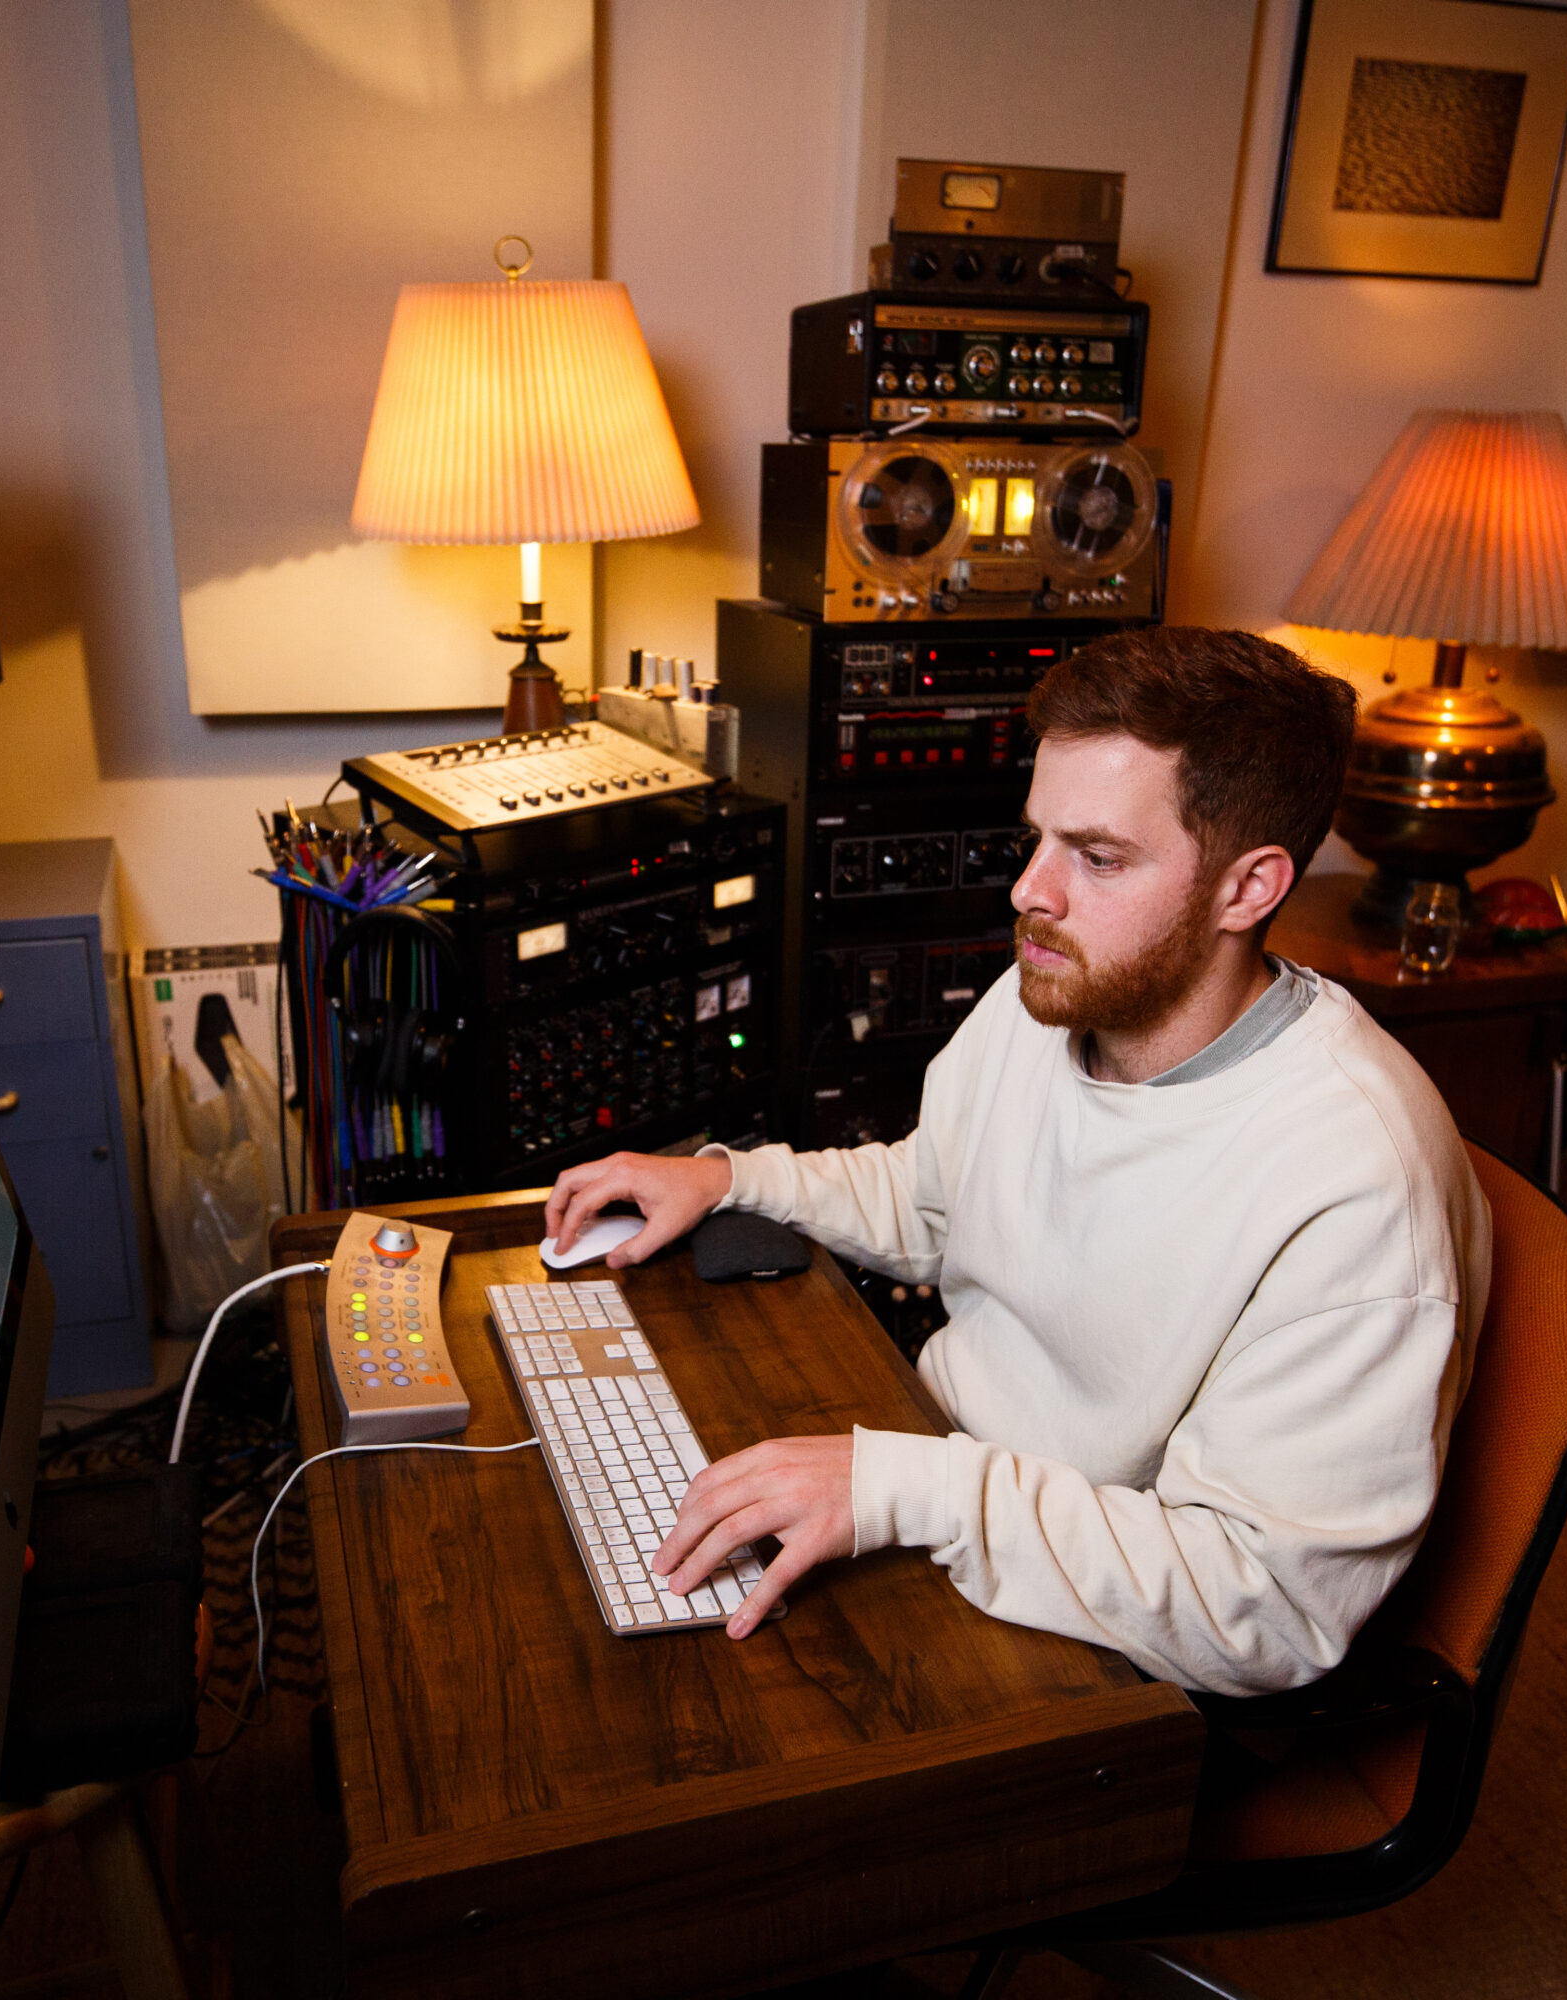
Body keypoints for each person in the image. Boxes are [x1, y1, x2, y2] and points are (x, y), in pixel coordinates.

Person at [542, 626, 1489, 1693]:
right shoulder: (1059, 987)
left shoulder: (1356, 1184)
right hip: (948, 1485)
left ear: (1247, 889)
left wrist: (921, 1490)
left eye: (1098, 856)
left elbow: (1259, 1607)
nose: (1030, 890)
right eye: (1038, 838)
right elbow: (938, 1194)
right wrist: (731, 1177)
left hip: (1116, 1645)